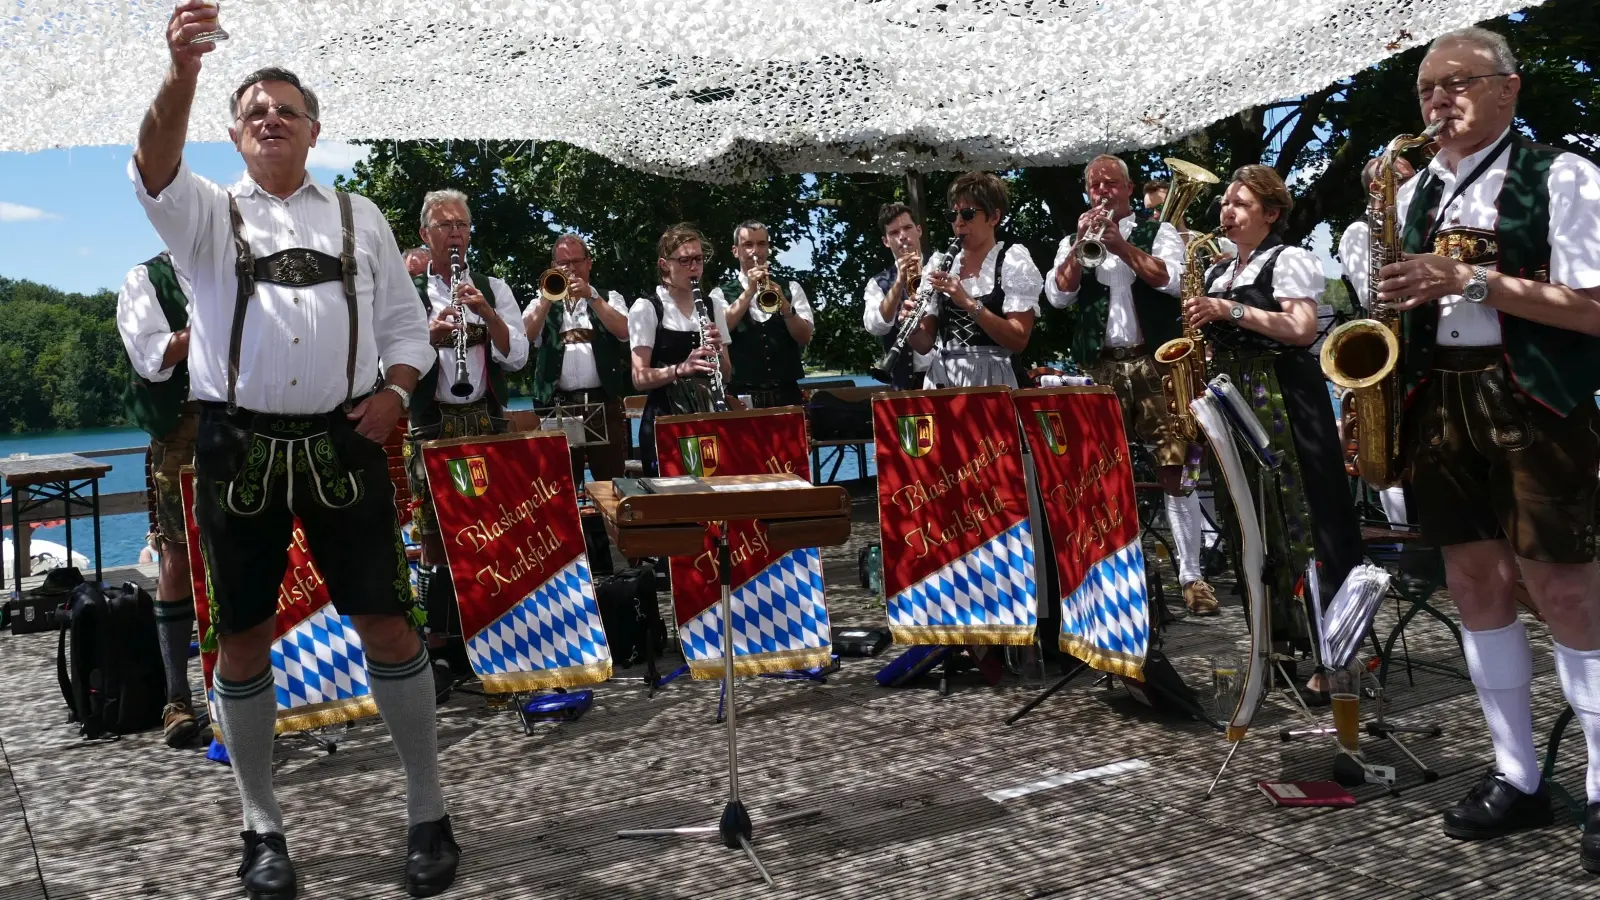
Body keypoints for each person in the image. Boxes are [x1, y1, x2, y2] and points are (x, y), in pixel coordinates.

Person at [131, 7, 458, 896]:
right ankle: (261, 829)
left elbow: (404, 326)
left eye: (287, 109)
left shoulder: (362, 215)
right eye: (254, 111)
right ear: (234, 134)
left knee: (389, 620)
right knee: (240, 639)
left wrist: (395, 392)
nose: (270, 118)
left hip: (345, 441)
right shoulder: (204, 215)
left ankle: (428, 810)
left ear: (314, 128)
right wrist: (182, 70)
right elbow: (154, 161)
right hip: (235, 448)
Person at [1374, 27, 1600, 868]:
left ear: (1509, 89)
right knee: (1473, 581)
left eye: (1457, 82)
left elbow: (1592, 307)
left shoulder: (1565, 176)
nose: (1439, 101)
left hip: (1536, 397)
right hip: (1439, 393)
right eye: (1427, 89)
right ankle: (1518, 774)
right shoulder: (1413, 192)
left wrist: (1467, 278)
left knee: (1566, 589)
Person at [1182, 164, 1363, 666]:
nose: (1227, 211)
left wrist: (1229, 311)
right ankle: (1275, 636)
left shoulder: (1290, 259)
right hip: (1234, 397)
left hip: (1283, 395)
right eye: (1226, 203)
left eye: (1240, 204)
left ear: (1272, 213)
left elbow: (1302, 329)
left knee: (1301, 514)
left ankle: (1331, 650)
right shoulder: (1220, 270)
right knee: (1251, 517)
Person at [1046, 154, 1216, 616]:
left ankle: (1192, 576)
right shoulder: (1072, 239)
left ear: (1128, 188)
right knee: (1100, 472)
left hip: (1155, 363)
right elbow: (1058, 296)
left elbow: (1174, 281)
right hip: (1101, 368)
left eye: (1111, 184)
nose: (1102, 192)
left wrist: (1120, 245)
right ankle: (1113, 571)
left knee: (1175, 467)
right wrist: (1081, 245)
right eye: (1095, 185)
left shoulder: (1157, 232)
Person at [406, 188, 529, 675]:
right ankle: (439, 642)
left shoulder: (493, 286)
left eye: (461, 226)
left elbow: (517, 355)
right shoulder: (407, 292)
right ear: (425, 234)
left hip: (486, 416)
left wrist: (487, 315)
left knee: (493, 527)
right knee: (433, 535)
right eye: (444, 226)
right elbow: (380, 364)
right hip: (432, 422)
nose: (455, 234)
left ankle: (493, 626)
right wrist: (428, 337)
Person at [115, 250, 202, 747]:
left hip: (243, 424)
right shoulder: (145, 278)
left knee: (253, 550)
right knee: (176, 555)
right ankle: (176, 698)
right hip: (181, 433)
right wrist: (210, 326)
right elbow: (152, 359)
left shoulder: (233, 267)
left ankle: (253, 684)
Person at [1337, 153, 1418, 529]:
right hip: (1385, 350)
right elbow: (1374, 296)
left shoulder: (1427, 223)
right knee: (1386, 451)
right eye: (1403, 181)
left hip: (1422, 349)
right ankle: (1406, 541)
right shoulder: (1358, 232)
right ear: (1378, 189)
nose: (1414, 186)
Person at [907, 172, 1042, 388]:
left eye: (968, 214)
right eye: (953, 215)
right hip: (945, 379)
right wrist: (911, 327)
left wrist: (967, 302)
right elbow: (924, 345)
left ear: (994, 217)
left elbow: (1018, 340)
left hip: (996, 379)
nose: (958, 223)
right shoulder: (939, 264)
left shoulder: (1013, 260)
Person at [523, 234, 633, 487]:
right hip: (558, 405)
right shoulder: (541, 303)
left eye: (576, 262)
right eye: (563, 263)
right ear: (553, 267)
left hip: (603, 404)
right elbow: (523, 338)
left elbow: (625, 332)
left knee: (612, 481)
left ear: (589, 263)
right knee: (559, 484)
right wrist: (546, 300)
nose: (571, 269)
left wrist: (592, 298)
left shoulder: (609, 297)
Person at [628, 224, 732, 473]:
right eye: (684, 260)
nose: (694, 267)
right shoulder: (647, 308)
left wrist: (718, 352)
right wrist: (679, 369)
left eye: (699, 259)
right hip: (665, 421)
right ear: (665, 264)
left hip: (709, 417)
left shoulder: (712, 305)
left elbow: (727, 375)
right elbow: (639, 378)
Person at [720, 221, 814, 407]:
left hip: (787, 395)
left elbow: (804, 337)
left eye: (762, 244)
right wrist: (750, 291)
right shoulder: (720, 294)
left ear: (768, 249)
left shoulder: (791, 288)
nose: (756, 251)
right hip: (741, 396)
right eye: (748, 245)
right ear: (736, 251)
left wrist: (785, 305)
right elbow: (723, 328)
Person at [863, 202, 932, 390]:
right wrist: (899, 281)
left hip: (947, 378)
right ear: (886, 241)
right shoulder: (878, 283)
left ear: (918, 230)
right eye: (894, 233)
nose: (903, 237)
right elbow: (876, 326)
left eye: (908, 228)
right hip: (905, 384)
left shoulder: (942, 267)